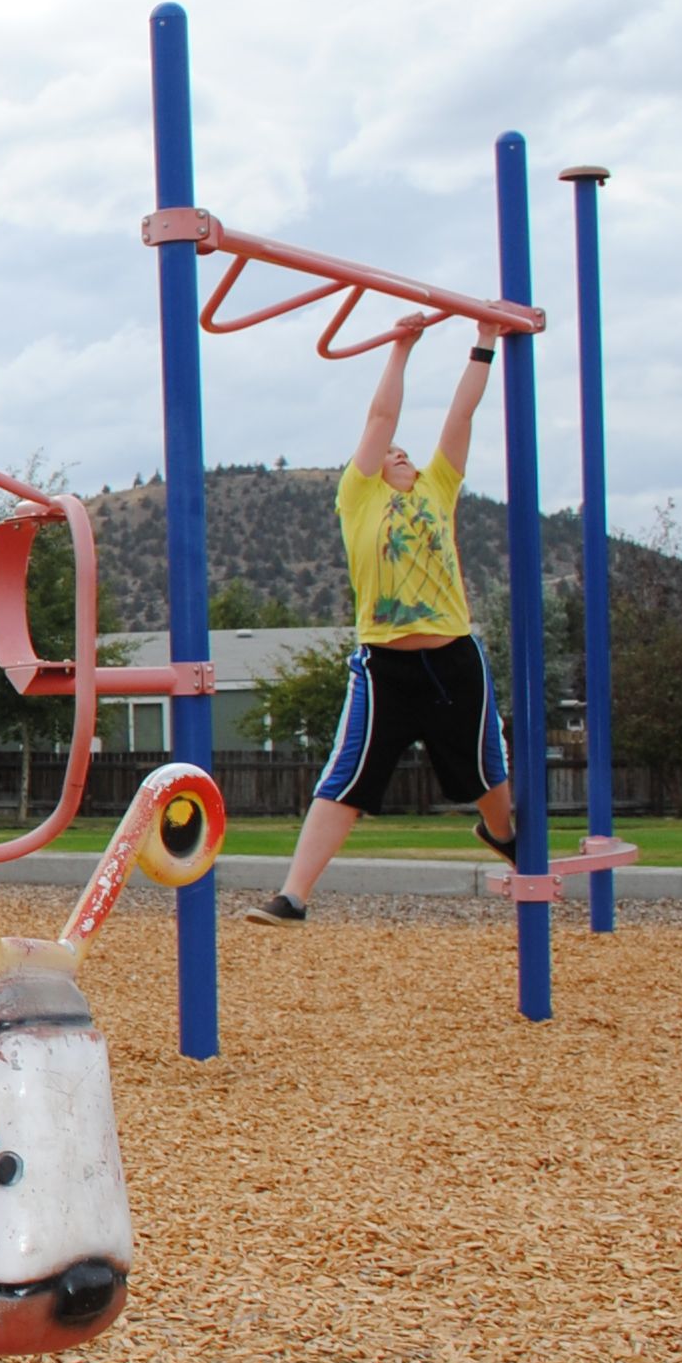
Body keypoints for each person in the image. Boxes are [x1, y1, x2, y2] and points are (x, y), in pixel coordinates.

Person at [240, 315, 519, 927]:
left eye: (405, 454)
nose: (398, 452)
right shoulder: (359, 497)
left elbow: (461, 416)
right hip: (385, 663)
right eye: (388, 453)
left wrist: (485, 340)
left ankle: (503, 835)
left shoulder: (438, 488)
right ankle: (292, 896)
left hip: (453, 659)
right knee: (346, 778)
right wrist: (401, 347)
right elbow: (380, 420)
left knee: (484, 771)